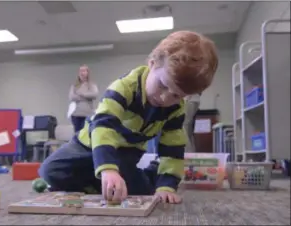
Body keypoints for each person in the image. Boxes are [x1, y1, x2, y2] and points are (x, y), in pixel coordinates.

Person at [40, 31, 218, 204]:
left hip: (126, 155)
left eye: (177, 95)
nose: (165, 99)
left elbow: (173, 150)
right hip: (89, 145)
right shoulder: (124, 87)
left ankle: (133, 176)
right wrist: (108, 169)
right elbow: (103, 126)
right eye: (163, 85)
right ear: (152, 63)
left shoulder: (176, 109)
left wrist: (166, 187)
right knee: (50, 171)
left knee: (143, 190)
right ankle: (101, 180)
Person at [68, 64, 99, 132]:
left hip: (88, 114)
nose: (82, 73)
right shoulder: (74, 85)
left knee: (86, 135)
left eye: (84, 71)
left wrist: (82, 94)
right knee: (77, 135)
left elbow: (94, 94)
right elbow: (71, 97)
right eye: (80, 71)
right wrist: (86, 97)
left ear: (87, 73)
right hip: (76, 114)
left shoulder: (91, 84)